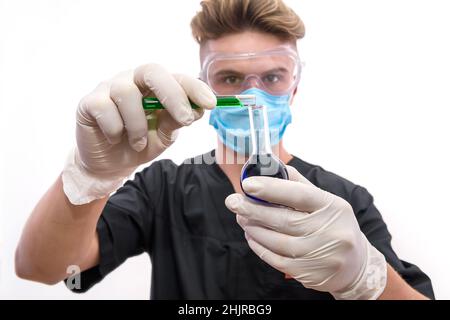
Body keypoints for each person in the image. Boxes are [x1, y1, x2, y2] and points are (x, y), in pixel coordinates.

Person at [15, 0, 434, 299]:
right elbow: (41, 269)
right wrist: (89, 178)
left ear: (295, 85)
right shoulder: (162, 189)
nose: (253, 95)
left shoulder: (343, 201)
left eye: (272, 77)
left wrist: (367, 280)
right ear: (203, 87)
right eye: (231, 78)